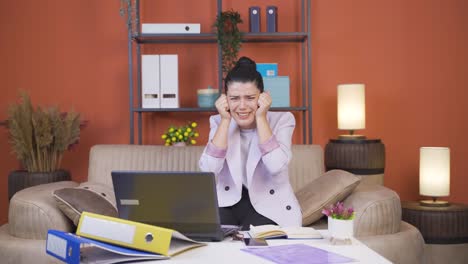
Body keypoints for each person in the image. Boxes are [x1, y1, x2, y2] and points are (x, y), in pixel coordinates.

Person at [199, 56, 302, 230]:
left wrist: (261, 117)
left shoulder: (283, 120)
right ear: (225, 100)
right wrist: (225, 121)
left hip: (269, 203)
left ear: (263, 98)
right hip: (228, 200)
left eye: (250, 98)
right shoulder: (218, 121)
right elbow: (208, 170)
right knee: (212, 240)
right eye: (234, 98)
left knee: (255, 243)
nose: (242, 106)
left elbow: (276, 166)